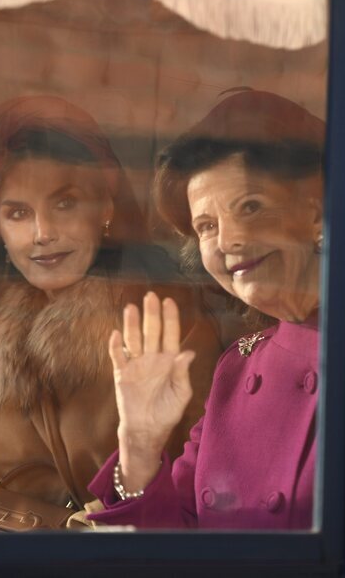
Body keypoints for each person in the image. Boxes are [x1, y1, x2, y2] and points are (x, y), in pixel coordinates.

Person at [0, 95, 221, 530]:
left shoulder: (172, 328)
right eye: (18, 213)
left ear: (105, 207)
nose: (43, 233)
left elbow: (192, 512)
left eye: (65, 203)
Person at [87, 89, 325, 529]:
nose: (229, 241)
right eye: (207, 226)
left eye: (250, 207)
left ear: (316, 213)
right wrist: (139, 445)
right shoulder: (236, 368)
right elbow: (175, 541)